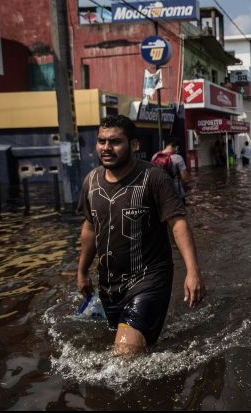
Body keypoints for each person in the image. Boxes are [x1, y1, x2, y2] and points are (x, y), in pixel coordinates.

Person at [77, 115, 205, 355]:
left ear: (134, 145)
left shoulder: (153, 178)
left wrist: (193, 272)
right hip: (109, 285)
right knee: (137, 349)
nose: (106, 148)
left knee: (124, 355)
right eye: (101, 141)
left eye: (115, 142)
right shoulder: (91, 182)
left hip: (149, 279)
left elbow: (178, 224)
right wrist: (82, 271)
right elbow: (90, 227)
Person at [152, 138, 187, 203]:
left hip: (160, 194)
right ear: (177, 147)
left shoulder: (155, 156)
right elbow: (184, 178)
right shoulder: (178, 158)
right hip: (176, 193)